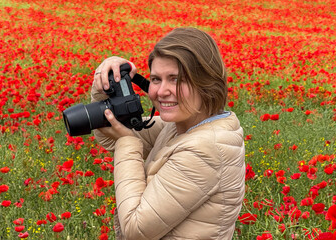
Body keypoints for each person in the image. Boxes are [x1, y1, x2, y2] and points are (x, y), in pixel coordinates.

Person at [91, 27, 245, 240]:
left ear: (206, 82)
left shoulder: (204, 149)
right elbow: (109, 136)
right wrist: (105, 83)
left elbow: (135, 229)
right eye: (156, 79)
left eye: (176, 79)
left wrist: (127, 141)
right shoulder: (180, 126)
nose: (162, 91)